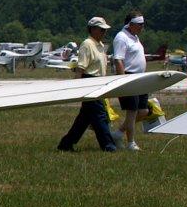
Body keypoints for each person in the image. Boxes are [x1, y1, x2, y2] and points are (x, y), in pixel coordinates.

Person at [57, 16, 117, 153]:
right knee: (100, 115)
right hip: (89, 81)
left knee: (85, 118)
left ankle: (66, 144)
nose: (104, 33)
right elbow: (81, 67)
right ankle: (109, 146)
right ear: (93, 29)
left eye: (105, 30)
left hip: (99, 82)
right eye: (101, 30)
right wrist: (78, 87)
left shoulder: (101, 45)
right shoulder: (87, 44)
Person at [112, 10, 147, 151]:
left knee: (143, 111)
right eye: (139, 24)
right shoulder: (121, 37)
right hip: (129, 76)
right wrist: (123, 80)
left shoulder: (135, 37)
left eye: (143, 24)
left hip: (140, 77)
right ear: (130, 24)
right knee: (132, 112)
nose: (142, 27)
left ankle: (118, 133)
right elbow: (118, 60)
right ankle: (131, 142)